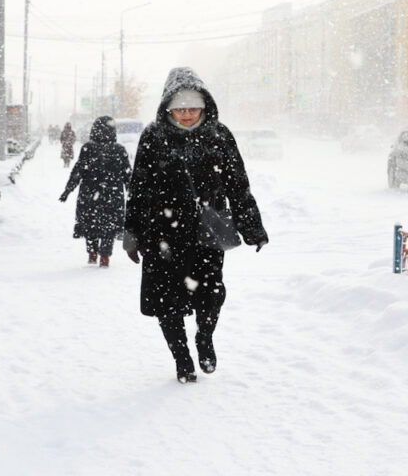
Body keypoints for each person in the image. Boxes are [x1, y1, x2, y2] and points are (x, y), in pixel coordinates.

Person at [124, 67, 268, 384]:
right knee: (166, 301)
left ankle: (204, 337)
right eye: (180, 108)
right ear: (168, 108)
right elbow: (139, 188)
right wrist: (131, 232)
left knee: (211, 294)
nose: (187, 115)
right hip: (161, 232)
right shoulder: (153, 136)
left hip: (208, 230)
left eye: (193, 108)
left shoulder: (220, 135)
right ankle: (182, 359)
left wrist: (252, 226)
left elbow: (238, 185)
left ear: (204, 106)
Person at [59, 116, 132, 266]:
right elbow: (127, 175)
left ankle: (92, 254)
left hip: (89, 194)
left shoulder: (88, 148)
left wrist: (68, 190)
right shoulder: (119, 150)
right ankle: (105, 257)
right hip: (112, 195)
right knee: (109, 229)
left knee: (90, 225)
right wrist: (132, 193)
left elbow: (78, 171)